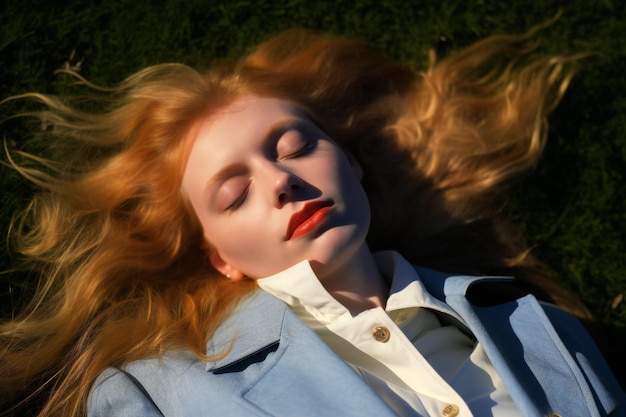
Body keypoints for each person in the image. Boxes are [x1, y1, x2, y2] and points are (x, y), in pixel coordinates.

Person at [1, 27, 624, 417]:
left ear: (350, 163)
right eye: (235, 192)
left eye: (295, 146)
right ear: (221, 257)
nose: (281, 181)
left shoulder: (539, 324)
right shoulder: (154, 398)